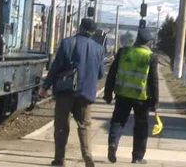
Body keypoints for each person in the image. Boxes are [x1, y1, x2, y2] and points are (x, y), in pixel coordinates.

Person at [39, 19, 106, 167]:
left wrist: (45, 87)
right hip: (86, 94)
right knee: (85, 125)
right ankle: (87, 154)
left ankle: (59, 159)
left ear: (80, 28)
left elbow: (55, 67)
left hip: (66, 92)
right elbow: (101, 73)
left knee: (61, 125)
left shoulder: (67, 43)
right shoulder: (98, 48)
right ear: (93, 32)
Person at [103, 29, 159, 164]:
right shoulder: (151, 56)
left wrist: (108, 93)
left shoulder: (123, 52)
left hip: (122, 94)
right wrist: (155, 101)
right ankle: (137, 157)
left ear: (136, 40)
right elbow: (153, 81)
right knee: (141, 127)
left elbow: (112, 74)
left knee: (118, 121)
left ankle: (113, 144)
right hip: (142, 98)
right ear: (148, 42)